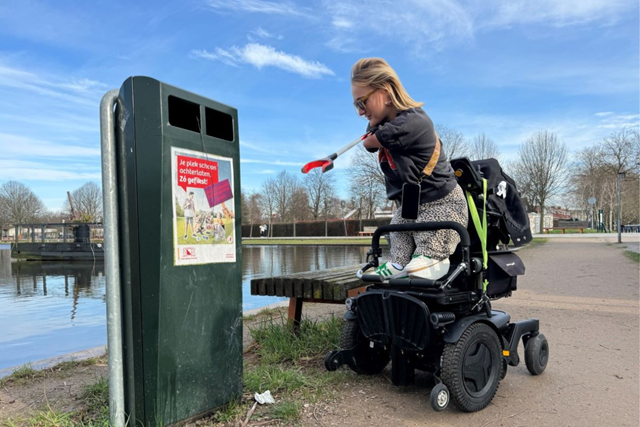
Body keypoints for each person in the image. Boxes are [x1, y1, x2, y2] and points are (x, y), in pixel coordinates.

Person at [351, 57, 468, 280]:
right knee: (397, 227)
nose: (360, 111)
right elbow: (373, 138)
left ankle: (431, 258)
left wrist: (371, 135)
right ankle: (398, 262)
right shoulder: (385, 127)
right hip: (412, 207)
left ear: (385, 91)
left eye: (362, 102)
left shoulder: (414, 121)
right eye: (356, 105)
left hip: (443, 202)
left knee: (431, 226)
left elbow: (374, 141)